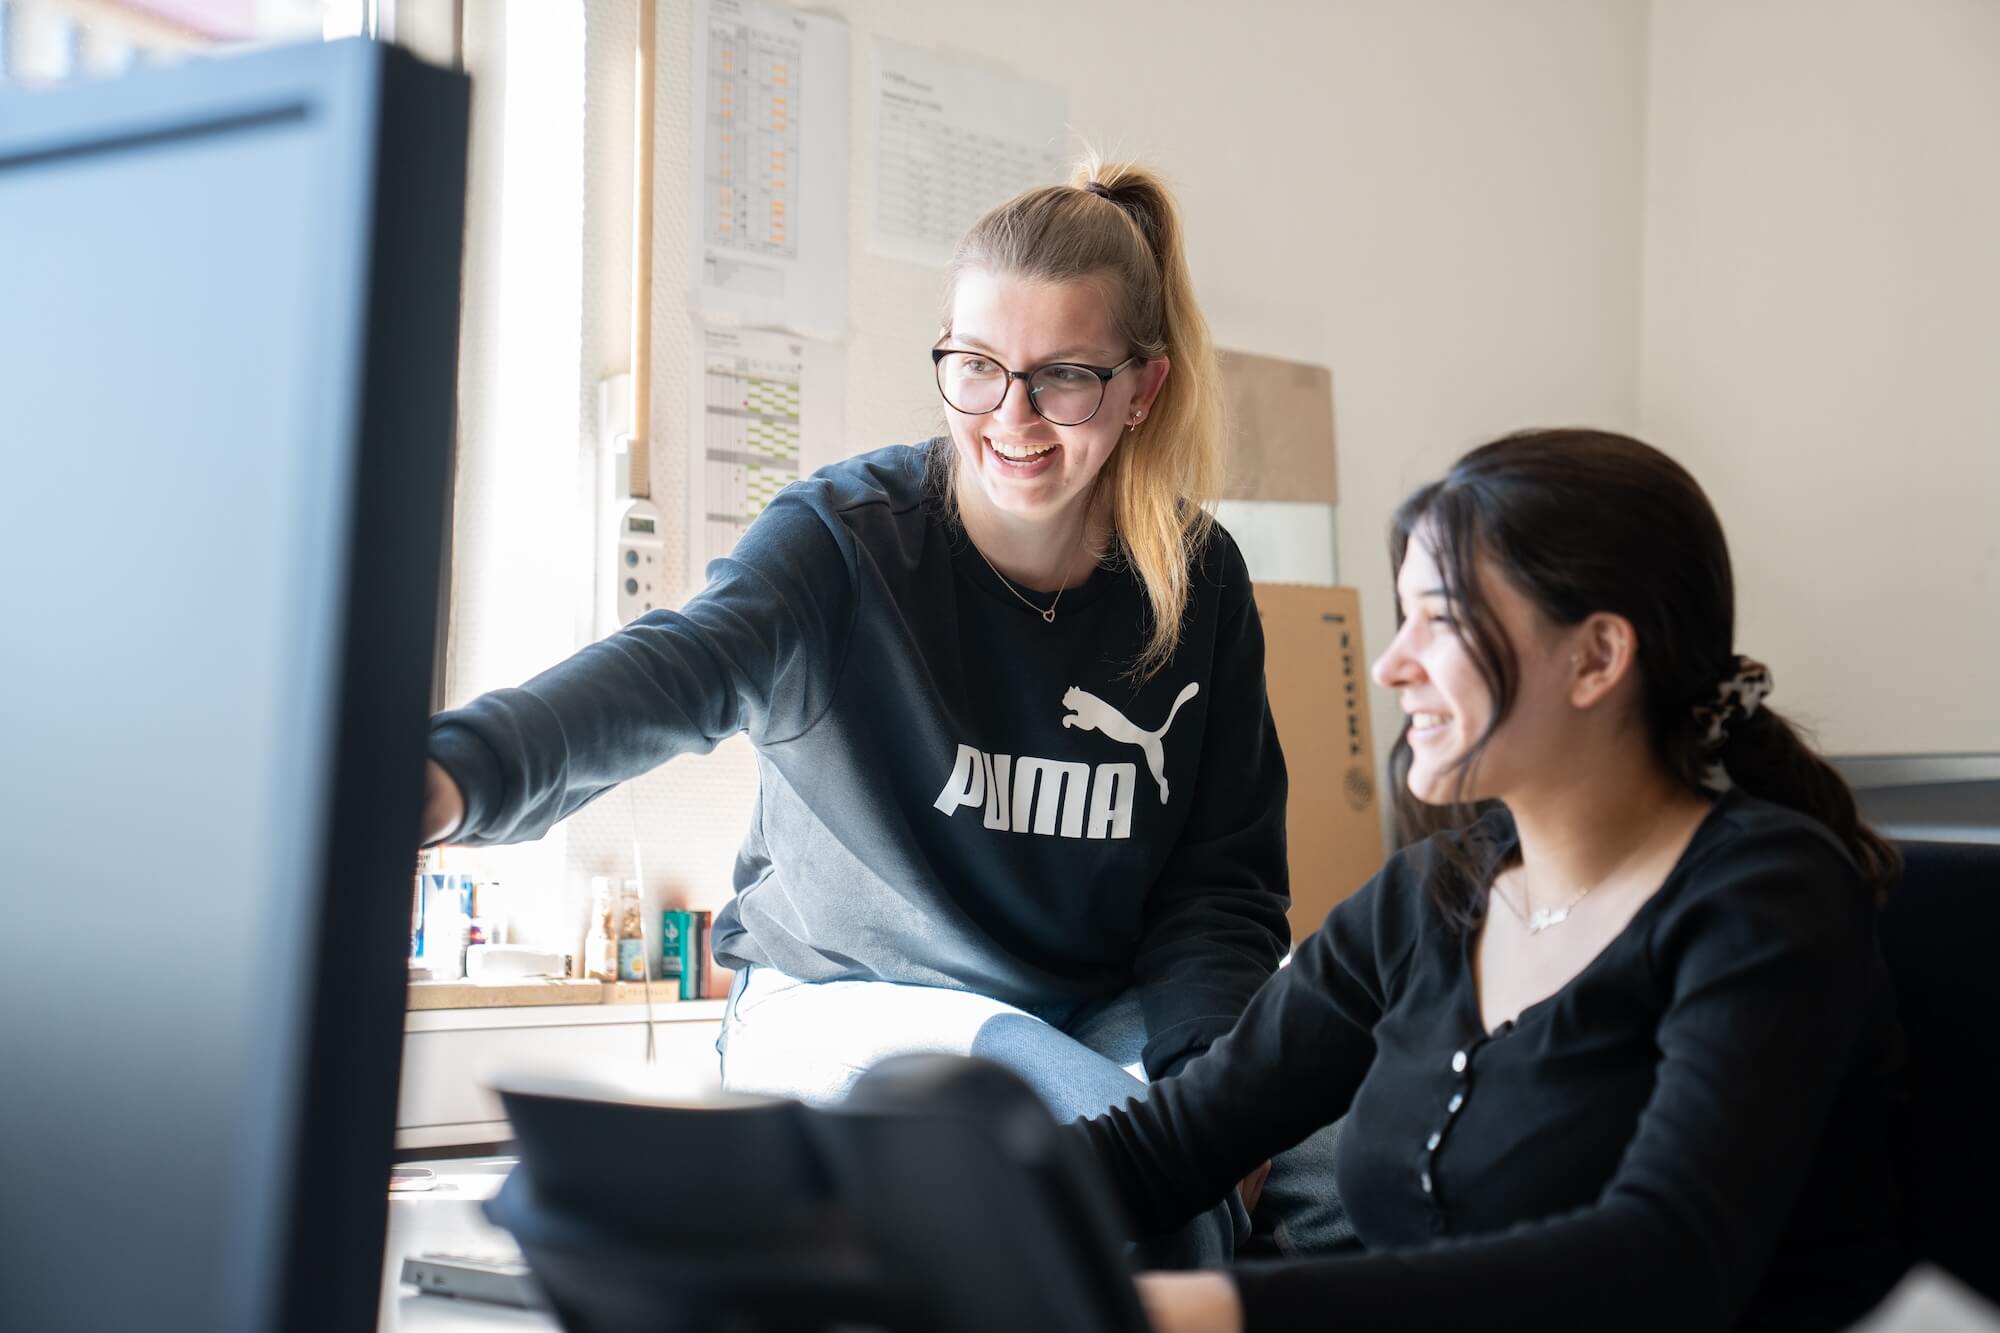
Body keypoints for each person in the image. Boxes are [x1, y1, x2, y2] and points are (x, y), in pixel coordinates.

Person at [420, 157, 1343, 1261]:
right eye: (977, 367)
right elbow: (674, 668)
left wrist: (1215, 1082)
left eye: (1063, 378)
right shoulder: (846, 542)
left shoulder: (1196, 580)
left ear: (1141, 387)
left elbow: (1217, 888)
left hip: (1090, 1009)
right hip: (837, 1002)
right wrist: (449, 772)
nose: (1012, 417)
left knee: (1321, 1159)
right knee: (1089, 1151)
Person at [1077, 429, 1908, 1332]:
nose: (1394, 665)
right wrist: (936, 1209)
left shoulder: (1765, 899)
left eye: (1441, 619)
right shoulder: (1427, 898)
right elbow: (1174, 1144)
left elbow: (1665, 1260)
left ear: (1596, 657)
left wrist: (1212, 1307)